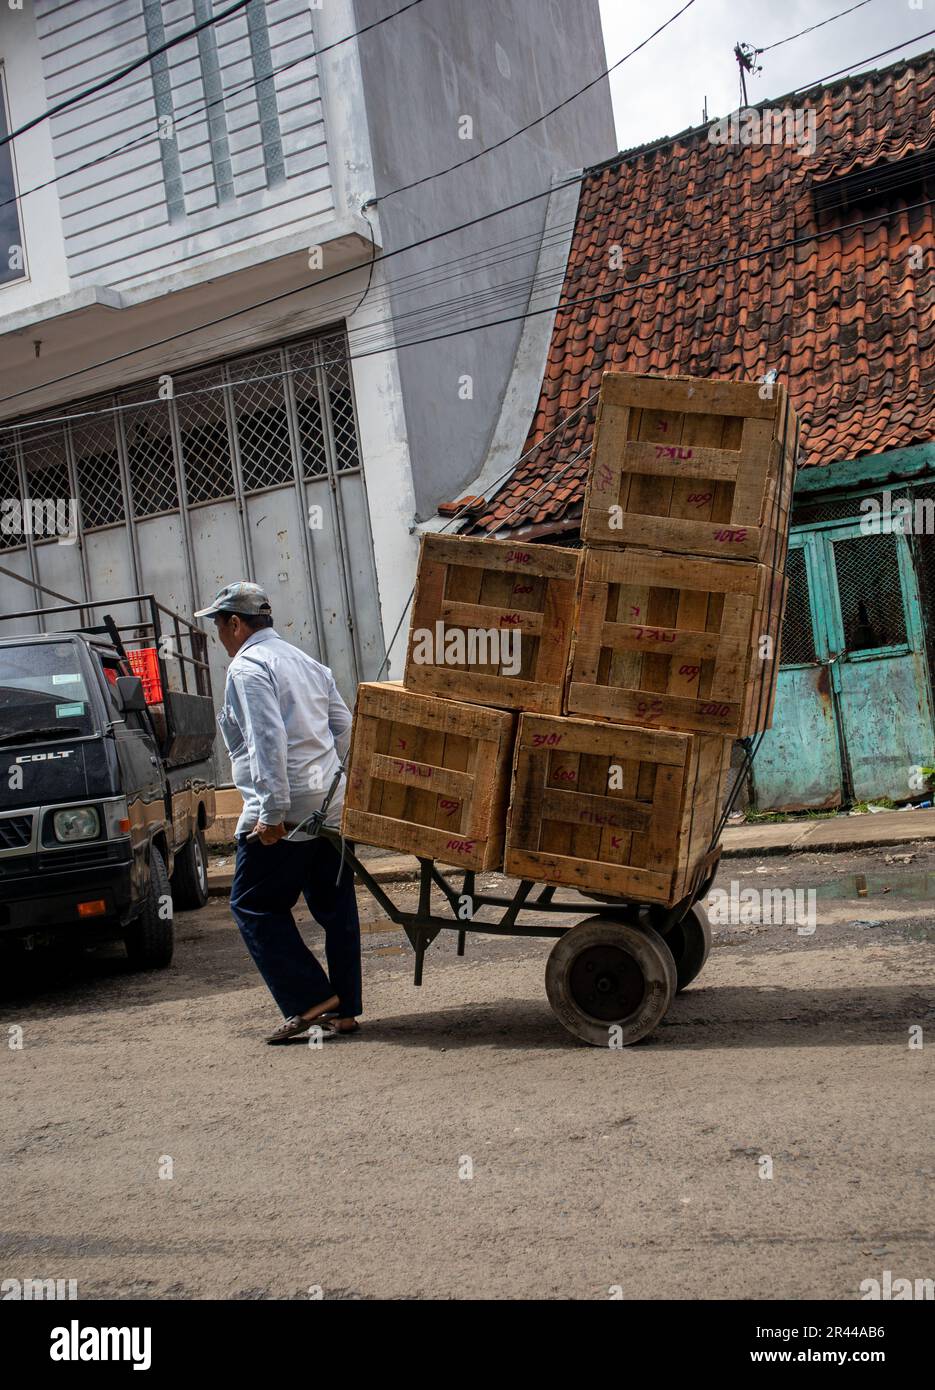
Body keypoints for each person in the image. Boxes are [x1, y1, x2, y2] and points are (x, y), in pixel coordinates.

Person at [194, 581, 361, 1043]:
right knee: (335, 910)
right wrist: (346, 792)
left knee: (252, 904)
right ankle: (344, 1010)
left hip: (285, 810)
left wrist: (271, 813)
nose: (220, 638)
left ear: (234, 623)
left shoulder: (247, 668)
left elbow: (268, 741)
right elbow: (344, 731)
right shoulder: (308, 663)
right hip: (330, 803)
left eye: (218, 626)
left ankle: (311, 1000)